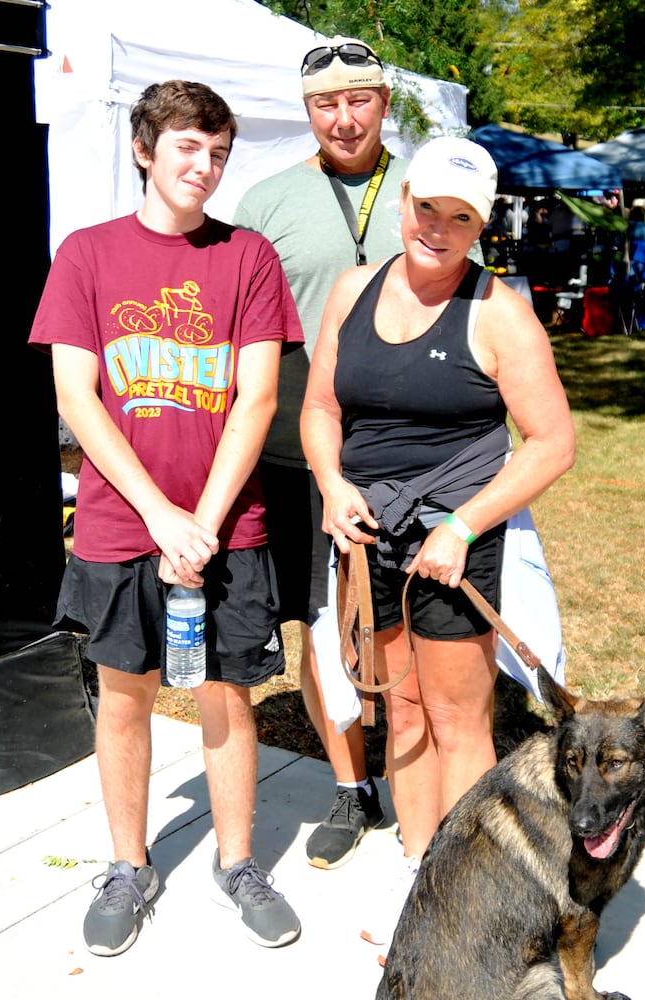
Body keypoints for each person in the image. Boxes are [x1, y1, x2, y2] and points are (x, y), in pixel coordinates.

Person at [28, 80, 304, 956]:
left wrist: (205, 523)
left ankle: (237, 863)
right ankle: (127, 865)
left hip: (229, 528)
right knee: (125, 699)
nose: (205, 167)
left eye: (218, 153)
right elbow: (77, 394)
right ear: (145, 149)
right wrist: (160, 517)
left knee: (226, 693)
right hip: (119, 527)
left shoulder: (247, 257)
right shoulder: (87, 254)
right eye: (188, 147)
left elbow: (256, 398)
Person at [300, 135, 576, 949]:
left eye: (460, 218)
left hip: (453, 537)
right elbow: (320, 409)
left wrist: (462, 525)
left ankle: (464, 892)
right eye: (428, 207)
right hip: (366, 531)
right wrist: (332, 484)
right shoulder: (353, 289)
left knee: (459, 719)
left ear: (479, 227)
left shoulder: (499, 313)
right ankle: (420, 865)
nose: (438, 228)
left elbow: (552, 441)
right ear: (403, 200)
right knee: (403, 708)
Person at [232, 36, 411, 871]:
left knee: (411, 626)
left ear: (385, 102)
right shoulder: (267, 201)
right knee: (319, 627)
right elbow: (243, 335)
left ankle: (422, 785)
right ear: (307, 112)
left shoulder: (427, 187)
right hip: (298, 449)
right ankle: (352, 789)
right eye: (325, 104)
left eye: (360, 99)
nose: (344, 118)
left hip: (411, 444)